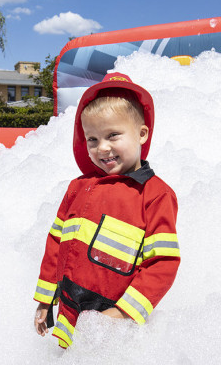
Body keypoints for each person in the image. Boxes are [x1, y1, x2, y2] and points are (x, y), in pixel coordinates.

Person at [32, 72, 180, 349]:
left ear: (141, 133)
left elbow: (163, 262)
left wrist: (124, 312)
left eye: (113, 135)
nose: (103, 148)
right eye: (92, 139)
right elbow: (55, 244)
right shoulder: (77, 188)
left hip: (118, 325)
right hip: (70, 316)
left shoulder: (156, 195)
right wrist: (45, 298)